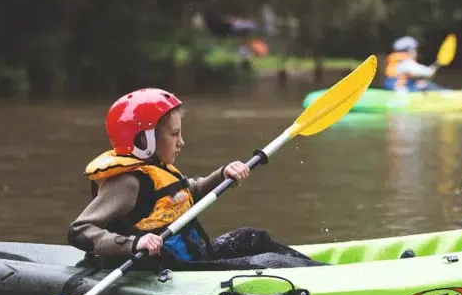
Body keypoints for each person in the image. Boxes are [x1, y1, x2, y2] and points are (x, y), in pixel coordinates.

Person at [68, 88, 321, 271]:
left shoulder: (159, 170)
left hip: (192, 256)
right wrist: (134, 243)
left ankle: (323, 271)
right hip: (170, 269)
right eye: (174, 134)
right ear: (144, 141)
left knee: (252, 238)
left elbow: (189, 192)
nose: (181, 142)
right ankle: (325, 277)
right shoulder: (127, 182)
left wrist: (223, 174)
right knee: (268, 264)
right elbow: (80, 231)